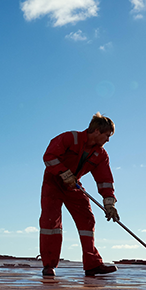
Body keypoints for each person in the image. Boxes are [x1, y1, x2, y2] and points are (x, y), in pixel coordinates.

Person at [39, 112, 120, 277]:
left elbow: (105, 180)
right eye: (107, 135)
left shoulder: (101, 155)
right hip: (53, 184)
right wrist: (63, 173)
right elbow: (49, 156)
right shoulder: (70, 138)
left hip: (73, 186)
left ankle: (92, 264)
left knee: (87, 220)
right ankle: (49, 266)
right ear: (97, 131)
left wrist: (109, 202)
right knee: (50, 222)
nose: (108, 140)